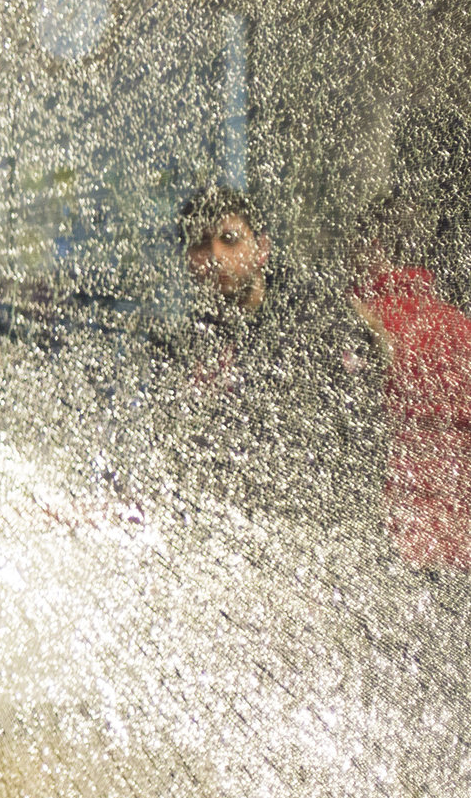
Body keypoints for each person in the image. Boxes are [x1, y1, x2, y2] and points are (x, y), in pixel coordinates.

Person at [158, 185, 386, 520]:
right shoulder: (189, 339)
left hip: (309, 524)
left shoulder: (316, 320)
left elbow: (360, 438)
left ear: (262, 248)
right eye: (201, 244)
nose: (217, 256)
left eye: (230, 239)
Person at [348, 197, 471, 573]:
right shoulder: (463, 330)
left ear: (374, 248)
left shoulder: (360, 327)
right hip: (461, 551)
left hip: (393, 545)